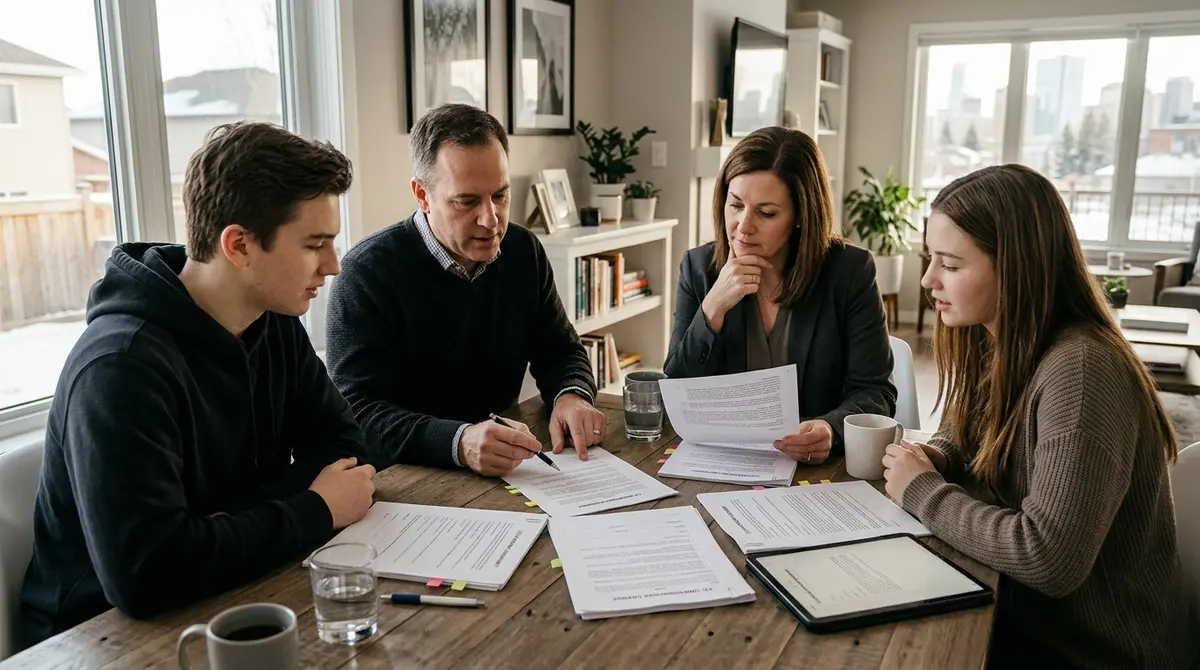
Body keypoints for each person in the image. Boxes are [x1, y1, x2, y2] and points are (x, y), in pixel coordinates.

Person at [20, 122, 376, 646]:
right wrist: (314, 508)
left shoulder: (273, 321)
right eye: (314, 244)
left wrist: (219, 527)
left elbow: (345, 451)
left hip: (234, 591)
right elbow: (146, 573)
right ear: (239, 245)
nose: (334, 265)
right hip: (93, 639)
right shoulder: (119, 367)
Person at [882, 164, 1195, 668]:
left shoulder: (1083, 372)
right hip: (1024, 615)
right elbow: (962, 435)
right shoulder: (994, 335)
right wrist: (937, 455)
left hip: (1096, 652)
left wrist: (924, 493)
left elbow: (1048, 557)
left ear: (1016, 270)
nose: (927, 279)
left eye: (951, 265)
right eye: (930, 258)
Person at [326, 104, 603, 477]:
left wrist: (572, 395)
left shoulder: (523, 250)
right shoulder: (365, 273)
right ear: (422, 195)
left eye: (500, 196)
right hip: (405, 478)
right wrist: (459, 442)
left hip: (505, 469)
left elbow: (559, 349)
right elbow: (358, 413)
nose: (491, 219)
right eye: (467, 201)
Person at [664, 126, 896, 464]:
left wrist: (830, 429)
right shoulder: (699, 268)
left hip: (816, 469)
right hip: (725, 461)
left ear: (801, 215)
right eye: (736, 205)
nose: (743, 226)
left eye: (766, 213)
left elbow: (876, 392)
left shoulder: (850, 271)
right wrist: (712, 308)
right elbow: (677, 390)